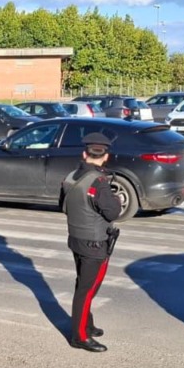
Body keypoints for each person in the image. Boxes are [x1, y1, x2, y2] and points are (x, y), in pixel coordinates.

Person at [61, 132, 122, 353]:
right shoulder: (99, 182)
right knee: (87, 290)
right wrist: (115, 198)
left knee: (84, 285)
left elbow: (64, 204)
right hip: (94, 242)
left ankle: (86, 323)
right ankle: (79, 336)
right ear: (105, 157)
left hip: (76, 237)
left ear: (84, 154)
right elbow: (113, 212)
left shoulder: (71, 176)